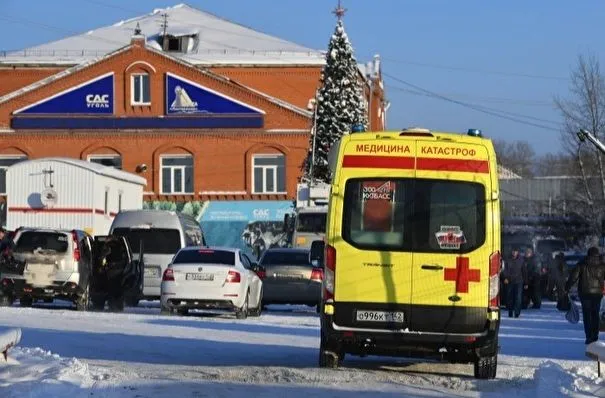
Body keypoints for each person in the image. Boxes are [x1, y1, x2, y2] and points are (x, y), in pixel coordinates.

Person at [565, 247, 605, 344]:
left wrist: (567, 288)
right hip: (597, 293)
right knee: (595, 314)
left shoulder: (582, 264)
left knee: (587, 315)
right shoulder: (602, 265)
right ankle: (595, 336)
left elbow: (573, 277)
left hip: (585, 293)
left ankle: (588, 336)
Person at [503, 247, 528, 318]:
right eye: (513, 251)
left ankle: (517, 312)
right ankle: (510, 311)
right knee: (509, 297)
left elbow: (524, 271)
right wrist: (505, 278)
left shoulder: (521, 260)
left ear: (518, 252)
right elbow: (505, 270)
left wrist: (526, 283)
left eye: (516, 251)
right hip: (509, 281)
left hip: (519, 281)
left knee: (518, 297)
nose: (514, 253)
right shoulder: (507, 259)